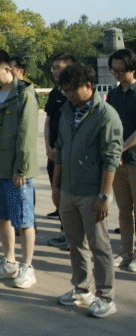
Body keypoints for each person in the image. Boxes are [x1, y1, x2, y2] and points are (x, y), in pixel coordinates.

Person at [52, 63, 123, 318]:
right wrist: (56, 186)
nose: (69, 95)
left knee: (99, 246)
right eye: (65, 91)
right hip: (68, 191)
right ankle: (81, 289)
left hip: (92, 193)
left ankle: (106, 297)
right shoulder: (67, 111)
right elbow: (60, 150)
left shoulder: (106, 115)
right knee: (75, 244)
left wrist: (103, 196)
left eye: (73, 90)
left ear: (89, 86)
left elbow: (110, 159)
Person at [0, 49, 39, 289]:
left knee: (23, 220)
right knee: (2, 217)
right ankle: (9, 262)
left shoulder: (24, 94)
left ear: (8, 69)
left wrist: (21, 168)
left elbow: (27, 134)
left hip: (16, 170)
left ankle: (27, 266)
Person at [108, 48, 136, 272]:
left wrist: (122, 149)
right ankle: (126, 252)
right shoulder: (113, 95)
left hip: (133, 159)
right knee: (124, 211)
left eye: (121, 70)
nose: (117, 74)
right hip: (118, 163)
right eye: (114, 70)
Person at [45, 53, 74, 248]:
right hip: (53, 154)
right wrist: (48, 147)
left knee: (70, 196)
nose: (55, 71)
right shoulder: (55, 93)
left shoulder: (76, 93)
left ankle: (74, 236)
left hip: (70, 155)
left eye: (59, 67)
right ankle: (65, 232)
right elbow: (48, 121)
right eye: (54, 67)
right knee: (58, 195)